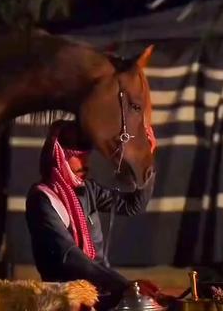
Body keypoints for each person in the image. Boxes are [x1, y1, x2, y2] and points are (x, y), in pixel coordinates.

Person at [25, 119, 157, 309]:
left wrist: (146, 157)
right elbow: (69, 256)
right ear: (59, 155)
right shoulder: (42, 199)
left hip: (101, 289)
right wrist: (125, 285)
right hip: (64, 298)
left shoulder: (87, 190)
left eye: (87, 156)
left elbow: (132, 206)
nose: (85, 163)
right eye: (78, 156)